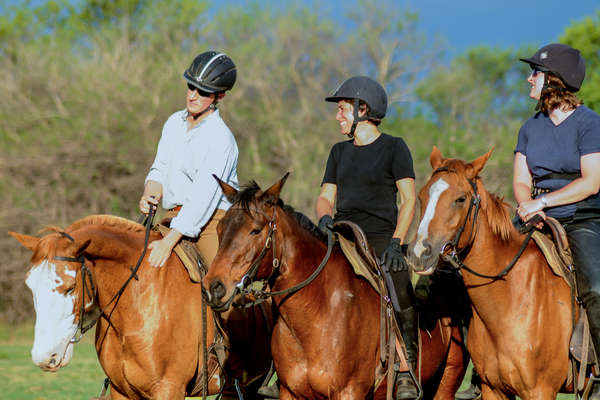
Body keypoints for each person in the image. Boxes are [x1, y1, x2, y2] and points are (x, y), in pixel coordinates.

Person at [316, 76, 418, 399]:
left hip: (380, 237)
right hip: (342, 235)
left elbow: (409, 199)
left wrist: (397, 242)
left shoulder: (394, 148)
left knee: (398, 281)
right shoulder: (337, 152)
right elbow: (325, 196)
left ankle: (406, 368)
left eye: (343, 110)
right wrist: (323, 217)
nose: (338, 117)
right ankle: (283, 368)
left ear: (363, 109)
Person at [513, 43, 600, 397]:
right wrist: (526, 205)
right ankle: (481, 369)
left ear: (554, 80)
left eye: (535, 72)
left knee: (596, 287)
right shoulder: (529, 127)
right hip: (535, 215)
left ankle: (598, 371)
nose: (529, 78)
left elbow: (592, 181)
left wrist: (543, 201)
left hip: (581, 215)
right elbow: (520, 179)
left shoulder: (590, 123)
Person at [139, 50, 239, 269]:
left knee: (222, 289)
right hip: (173, 216)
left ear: (219, 96)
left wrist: (168, 243)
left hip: (211, 221)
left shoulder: (222, 139)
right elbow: (160, 168)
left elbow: (202, 199)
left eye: (203, 91)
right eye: (190, 86)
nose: (193, 95)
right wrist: (150, 192)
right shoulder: (174, 122)